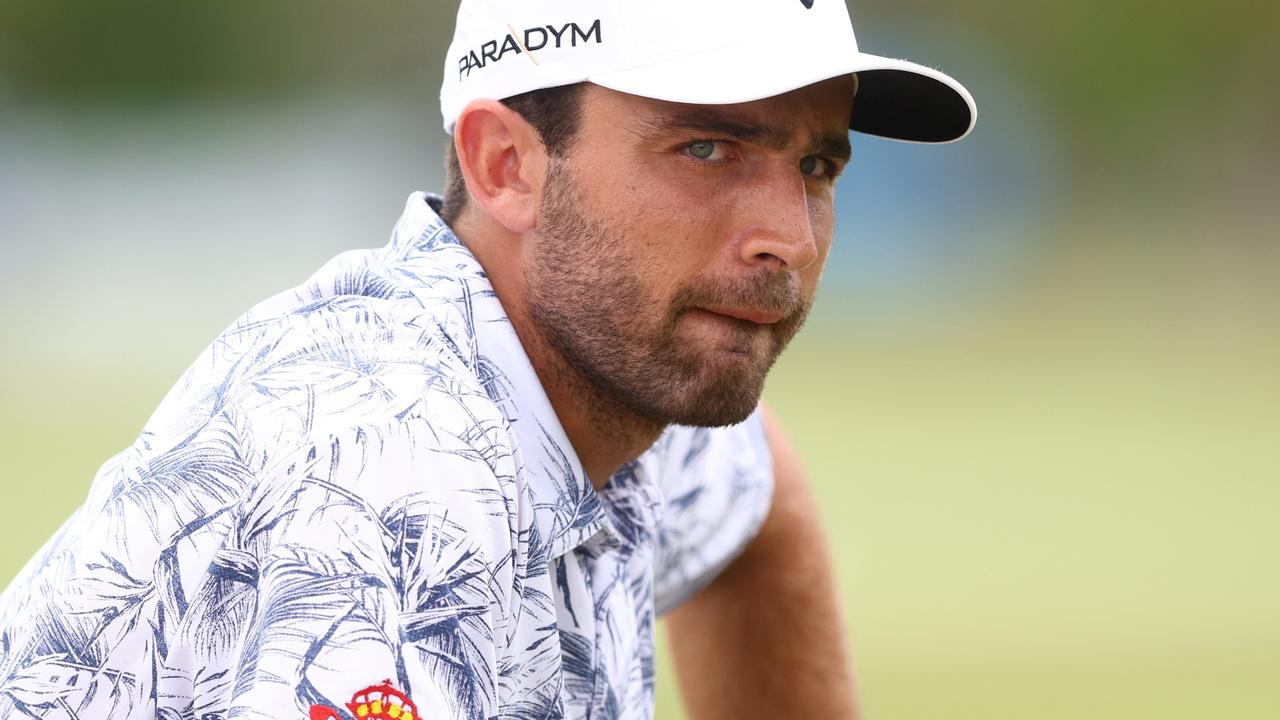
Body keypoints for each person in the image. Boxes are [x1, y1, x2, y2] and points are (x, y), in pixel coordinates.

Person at [0, 0, 974, 718]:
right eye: (707, 151)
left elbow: (761, 497)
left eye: (814, 166)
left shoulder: (606, 375)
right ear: (505, 165)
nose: (787, 239)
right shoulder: (379, 469)